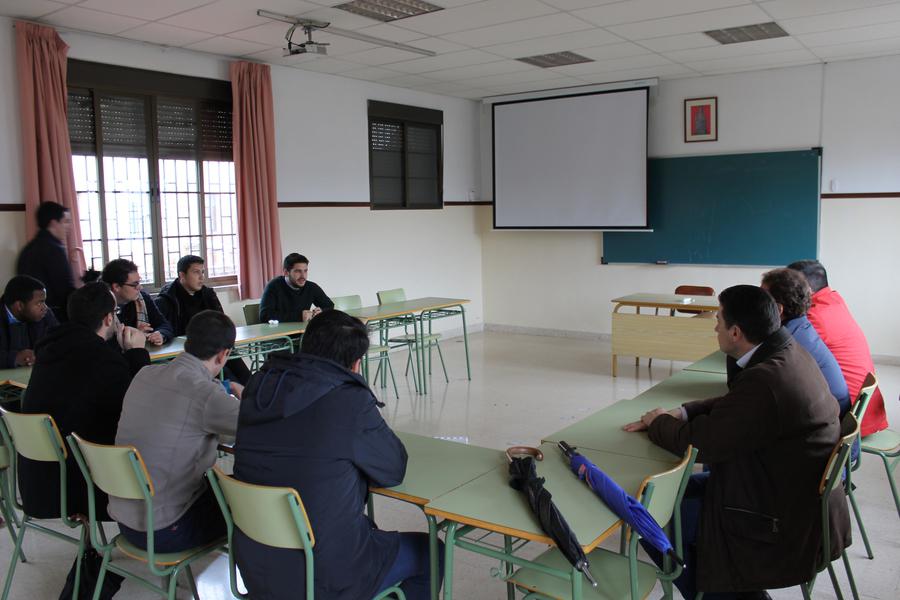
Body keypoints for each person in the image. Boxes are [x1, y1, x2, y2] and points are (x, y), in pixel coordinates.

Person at [623, 285, 849, 599]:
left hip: (778, 517)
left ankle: (719, 595)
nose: (714, 326)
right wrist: (684, 411)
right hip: (790, 495)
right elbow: (738, 404)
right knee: (659, 494)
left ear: (735, 333)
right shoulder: (787, 353)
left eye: (718, 319)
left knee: (647, 515)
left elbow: (700, 443)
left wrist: (657, 421)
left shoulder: (766, 380)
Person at [233, 310, 441, 600]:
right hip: (323, 576)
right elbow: (393, 468)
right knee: (431, 552)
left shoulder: (260, 385)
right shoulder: (348, 400)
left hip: (256, 566)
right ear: (355, 365)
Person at [110, 310, 242, 553]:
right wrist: (245, 399)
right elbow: (256, 429)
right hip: (166, 530)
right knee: (253, 501)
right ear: (224, 355)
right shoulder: (206, 395)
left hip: (126, 522)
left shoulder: (144, 374)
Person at [18, 282, 149, 520]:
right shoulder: (102, 360)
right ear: (109, 318)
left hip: (39, 485)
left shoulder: (51, 348)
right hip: (82, 487)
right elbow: (141, 407)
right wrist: (136, 354)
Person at [788, 259, 888, 437]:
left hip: (850, 418)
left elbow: (785, 354)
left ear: (806, 290)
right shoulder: (833, 299)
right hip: (864, 409)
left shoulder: (814, 316)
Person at [759, 268, 850, 414]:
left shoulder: (787, 342)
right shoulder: (801, 326)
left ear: (778, 309)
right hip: (833, 412)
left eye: (762, 299)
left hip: (827, 420)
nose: (757, 304)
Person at [155, 255, 250, 384]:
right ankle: (235, 399)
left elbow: (221, 321)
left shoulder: (208, 294)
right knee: (226, 376)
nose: (201, 277)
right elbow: (165, 330)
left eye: (203, 272)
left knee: (243, 371)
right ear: (182, 275)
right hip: (189, 353)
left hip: (214, 346)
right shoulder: (166, 300)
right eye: (196, 272)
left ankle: (254, 399)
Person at [16, 201, 76, 321]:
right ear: (53, 223)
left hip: (29, 316)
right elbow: (64, 291)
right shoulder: (53, 249)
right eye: (65, 222)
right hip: (52, 316)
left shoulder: (28, 248)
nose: (69, 227)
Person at [101, 259, 174, 347]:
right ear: (116, 286)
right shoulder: (99, 306)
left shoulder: (142, 298)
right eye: (134, 284)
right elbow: (100, 341)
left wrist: (160, 334)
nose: (140, 287)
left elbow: (164, 325)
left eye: (139, 282)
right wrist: (135, 335)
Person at [0, 275, 58, 368]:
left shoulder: (45, 314)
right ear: (19, 305)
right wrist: (15, 358)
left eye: (44, 302)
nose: (45, 307)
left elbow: (59, 341)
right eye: (39, 303)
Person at [258, 253, 333, 323]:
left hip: (303, 332)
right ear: (286, 272)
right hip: (281, 334)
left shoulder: (311, 287)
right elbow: (264, 316)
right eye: (298, 271)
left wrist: (321, 311)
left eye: (305, 271)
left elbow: (329, 305)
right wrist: (299, 316)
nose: (303, 276)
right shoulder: (273, 286)